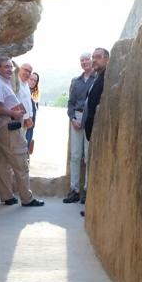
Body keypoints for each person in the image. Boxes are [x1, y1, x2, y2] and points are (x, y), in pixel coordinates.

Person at [0, 57, 44, 207]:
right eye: (5, 67)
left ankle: (7, 196)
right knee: (21, 164)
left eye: (10, 67)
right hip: (9, 128)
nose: (9, 69)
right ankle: (27, 198)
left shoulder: (1, 82)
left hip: (5, 128)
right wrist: (15, 114)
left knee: (4, 163)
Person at [80, 47, 110, 216]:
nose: (94, 60)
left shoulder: (106, 76)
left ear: (107, 58)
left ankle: (94, 207)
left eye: (98, 57)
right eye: (93, 57)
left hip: (100, 133)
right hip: (93, 132)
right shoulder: (98, 77)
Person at [63, 52, 94, 204]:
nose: (85, 62)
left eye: (87, 59)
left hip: (90, 119)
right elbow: (70, 102)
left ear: (91, 60)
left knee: (88, 155)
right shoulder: (76, 81)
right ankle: (74, 190)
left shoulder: (98, 79)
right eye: (82, 60)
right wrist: (72, 118)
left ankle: (87, 190)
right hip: (77, 118)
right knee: (75, 156)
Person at [26, 71, 39, 154]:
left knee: (26, 149)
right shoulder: (23, 91)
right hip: (25, 126)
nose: (33, 82)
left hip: (31, 127)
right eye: (31, 79)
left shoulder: (33, 95)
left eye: (35, 81)